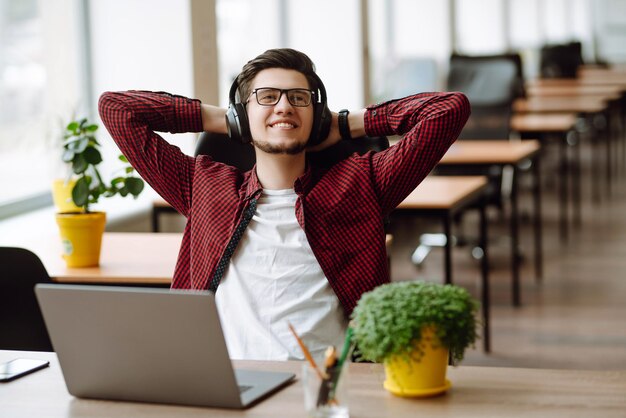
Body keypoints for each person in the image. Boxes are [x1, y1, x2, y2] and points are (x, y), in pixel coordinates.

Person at [98, 48, 470, 361]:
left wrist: (344, 123)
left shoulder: (361, 185)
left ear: (316, 114)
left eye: (299, 98)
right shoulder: (205, 187)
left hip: (329, 386)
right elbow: (117, 109)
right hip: (230, 382)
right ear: (243, 113)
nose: (283, 107)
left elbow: (448, 109)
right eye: (267, 97)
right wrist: (223, 119)